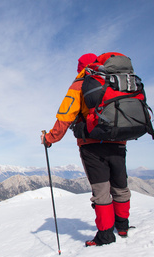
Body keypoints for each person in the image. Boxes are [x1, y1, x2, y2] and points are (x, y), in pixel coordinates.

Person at [40, 53, 132, 247]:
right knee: (120, 185)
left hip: (92, 145)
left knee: (101, 190)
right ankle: (122, 226)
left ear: (80, 67)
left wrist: (50, 138)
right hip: (118, 142)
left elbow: (65, 115)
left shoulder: (81, 83)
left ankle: (106, 236)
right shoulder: (114, 81)